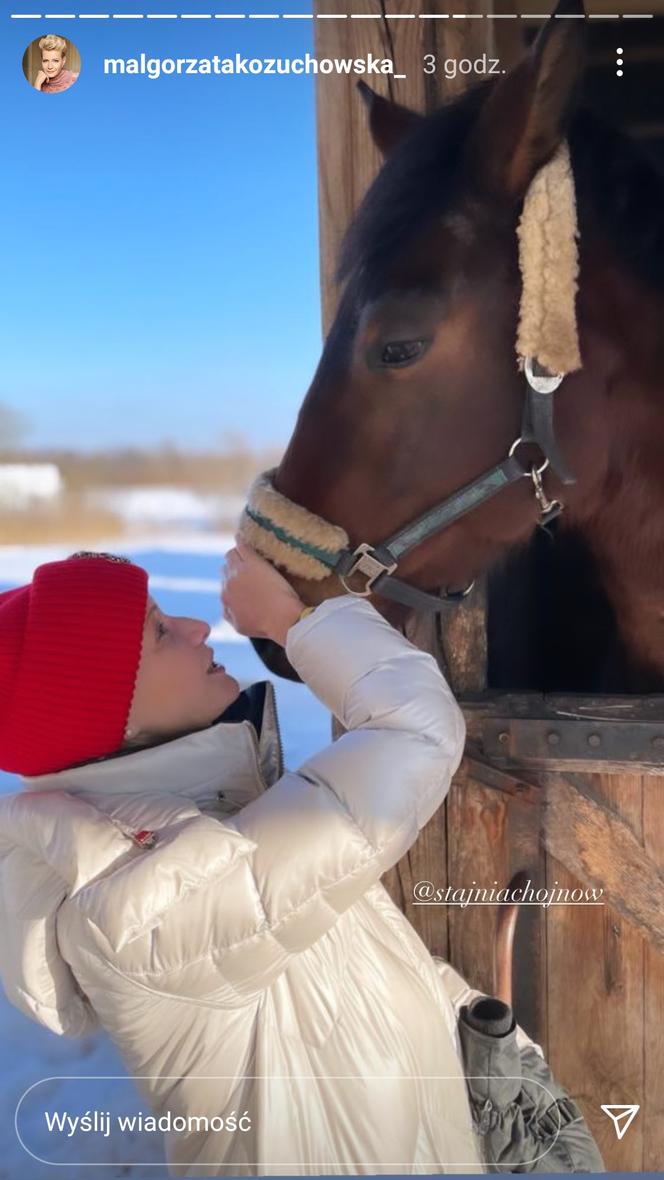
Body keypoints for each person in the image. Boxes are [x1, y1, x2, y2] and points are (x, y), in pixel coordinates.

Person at [0, 542, 486, 1176]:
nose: (197, 627)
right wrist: (293, 620)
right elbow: (415, 732)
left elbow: (342, 973)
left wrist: (475, 1039)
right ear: (106, 716)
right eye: (159, 631)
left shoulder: (214, 833)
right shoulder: (141, 903)